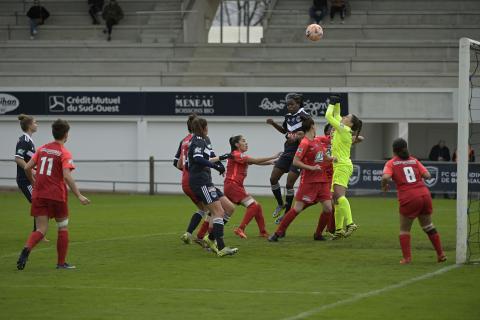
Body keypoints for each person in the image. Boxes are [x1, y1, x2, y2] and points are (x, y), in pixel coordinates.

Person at [16, 119, 91, 270]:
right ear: (66, 135)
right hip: (56, 195)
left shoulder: (42, 148)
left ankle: (26, 249)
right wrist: (79, 195)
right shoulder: (64, 152)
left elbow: (27, 167)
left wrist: (33, 182)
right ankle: (61, 263)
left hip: (39, 194)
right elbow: (67, 176)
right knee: (62, 227)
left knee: (41, 229)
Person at [381, 138, 446, 264]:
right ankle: (441, 254)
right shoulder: (414, 160)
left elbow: (386, 177)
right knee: (428, 226)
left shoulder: (391, 163)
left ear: (394, 150)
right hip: (424, 195)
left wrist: (384, 185)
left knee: (404, 229)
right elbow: (428, 175)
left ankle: (407, 258)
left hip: (409, 197)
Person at [268, 118, 334, 242]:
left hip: (322, 181)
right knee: (297, 208)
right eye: (314, 125)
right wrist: (312, 168)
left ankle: (318, 234)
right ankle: (277, 233)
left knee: (328, 208)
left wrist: (332, 159)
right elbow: (296, 162)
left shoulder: (317, 142)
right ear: (312, 126)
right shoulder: (304, 143)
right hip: (308, 181)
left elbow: (322, 157)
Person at [187, 117, 238, 257]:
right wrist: (215, 166)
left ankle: (210, 239)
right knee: (219, 212)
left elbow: (209, 156)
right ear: (203, 127)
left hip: (206, 180)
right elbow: (197, 159)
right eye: (206, 126)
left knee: (229, 208)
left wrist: (220, 162)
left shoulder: (204, 140)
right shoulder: (197, 140)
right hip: (200, 182)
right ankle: (220, 247)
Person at [267, 93, 310, 224]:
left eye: (292, 104)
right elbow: (285, 131)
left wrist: (298, 138)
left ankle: (286, 214)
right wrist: (273, 124)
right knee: (273, 178)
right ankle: (281, 204)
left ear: (298, 104)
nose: (289, 107)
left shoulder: (305, 116)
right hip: (288, 151)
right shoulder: (288, 117)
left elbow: (310, 134)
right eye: (288, 105)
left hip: (300, 152)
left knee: (289, 184)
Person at [225, 135, 279, 239]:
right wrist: (273, 157)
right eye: (243, 141)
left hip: (234, 186)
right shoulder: (237, 154)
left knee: (257, 206)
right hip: (233, 185)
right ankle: (240, 228)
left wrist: (271, 162)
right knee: (253, 206)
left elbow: (256, 162)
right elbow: (256, 160)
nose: (246, 143)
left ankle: (263, 232)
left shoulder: (239, 156)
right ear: (237, 144)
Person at [325, 95, 363, 239]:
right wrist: (338, 103)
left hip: (342, 165)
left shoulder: (343, 129)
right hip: (341, 165)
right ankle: (339, 230)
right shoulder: (345, 128)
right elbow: (336, 114)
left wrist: (332, 102)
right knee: (336, 199)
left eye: (347, 117)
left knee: (339, 196)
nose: (343, 117)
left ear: (350, 123)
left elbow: (329, 116)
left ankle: (351, 223)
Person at [175, 114, 211, 246]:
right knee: (214, 210)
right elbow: (204, 159)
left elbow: (179, 164)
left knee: (202, 209)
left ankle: (188, 234)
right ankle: (203, 238)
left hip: (185, 181)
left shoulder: (184, 140)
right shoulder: (200, 139)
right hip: (196, 180)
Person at [14, 114, 49, 241]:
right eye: (35, 122)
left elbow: (29, 160)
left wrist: (35, 169)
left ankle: (38, 233)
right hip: (25, 180)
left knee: (39, 202)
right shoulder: (24, 141)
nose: (37, 124)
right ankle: (38, 233)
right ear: (29, 125)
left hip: (29, 178)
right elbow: (18, 159)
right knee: (38, 202)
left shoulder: (30, 141)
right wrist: (31, 171)